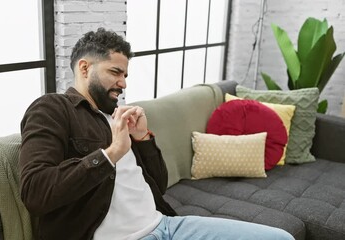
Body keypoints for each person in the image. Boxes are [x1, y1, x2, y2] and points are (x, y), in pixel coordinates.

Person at [19, 27, 294, 240]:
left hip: (167, 225)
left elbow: (158, 186)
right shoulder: (52, 109)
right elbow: (35, 192)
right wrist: (112, 152)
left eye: (125, 74)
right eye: (115, 72)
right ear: (84, 67)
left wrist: (142, 139)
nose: (123, 83)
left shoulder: (117, 116)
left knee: (282, 237)